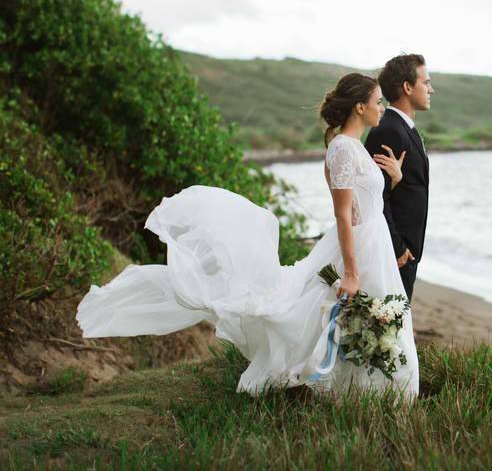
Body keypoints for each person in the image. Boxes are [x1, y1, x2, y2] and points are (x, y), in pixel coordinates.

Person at [76, 73, 419, 397]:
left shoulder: (354, 146)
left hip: (373, 241)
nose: (381, 107)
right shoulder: (342, 148)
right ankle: (358, 390)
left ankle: (368, 391)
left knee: (369, 319)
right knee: (349, 316)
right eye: (377, 101)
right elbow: (344, 214)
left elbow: (363, 201)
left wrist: (394, 180)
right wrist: (352, 272)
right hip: (360, 244)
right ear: (359, 106)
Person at [364, 54, 433, 302]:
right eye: (426, 83)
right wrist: (397, 247)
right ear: (407, 87)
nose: (431, 90)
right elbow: (374, 196)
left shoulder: (404, 128)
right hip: (394, 253)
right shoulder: (389, 131)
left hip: (407, 252)